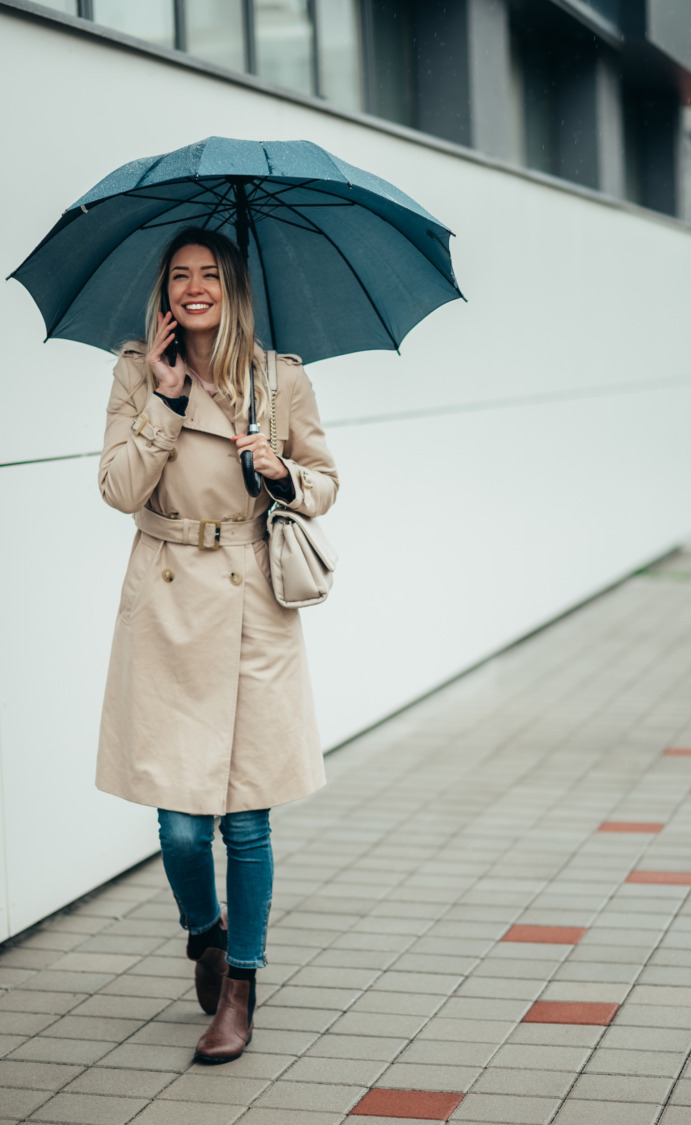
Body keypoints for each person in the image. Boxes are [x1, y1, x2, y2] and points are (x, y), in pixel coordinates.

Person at [95, 226, 339, 1063]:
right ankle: (203, 927)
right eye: (179, 275)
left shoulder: (279, 377)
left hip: (253, 605)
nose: (194, 287)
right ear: (165, 292)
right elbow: (117, 487)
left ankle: (240, 983)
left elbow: (326, 481)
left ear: (233, 286)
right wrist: (163, 403)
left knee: (246, 819)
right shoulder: (137, 370)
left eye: (209, 274)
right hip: (165, 594)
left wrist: (279, 471)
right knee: (179, 828)